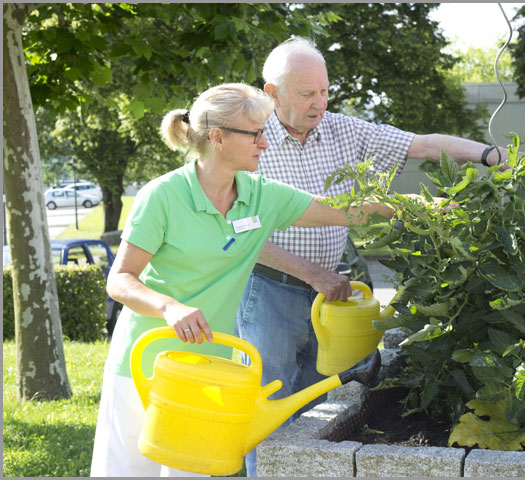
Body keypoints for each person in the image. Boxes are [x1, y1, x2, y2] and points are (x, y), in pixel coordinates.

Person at [236, 36, 514, 476]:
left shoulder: (343, 130)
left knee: (314, 414)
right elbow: (242, 236)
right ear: (271, 93)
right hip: (270, 291)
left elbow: (420, 145)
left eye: (325, 91)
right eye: (307, 93)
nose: (319, 103)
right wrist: (313, 274)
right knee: (265, 407)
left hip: (327, 295)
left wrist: (491, 155)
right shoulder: (249, 143)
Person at [89, 82, 393, 477]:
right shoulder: (162, 196)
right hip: (144, 365)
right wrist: (170, 307)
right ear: (217, 137)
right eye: (256, 134)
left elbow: (342, 211)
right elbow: (121, 280)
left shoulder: (261, 195)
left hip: (211, 370)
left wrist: (420, 207)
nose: (265, 144)